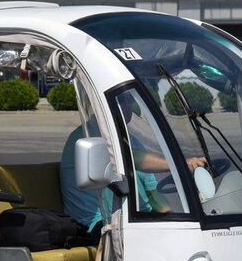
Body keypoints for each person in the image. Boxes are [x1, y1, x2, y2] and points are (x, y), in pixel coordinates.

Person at [60, 93, 206, 240]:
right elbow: (130, 157)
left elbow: (151, 193)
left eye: (129, 99)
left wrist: (170, 218)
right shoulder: (88, 135)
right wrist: (180, 165)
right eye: (120, 99)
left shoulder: (130, 139)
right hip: (98, 224)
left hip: (133, 219)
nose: (127, 104)